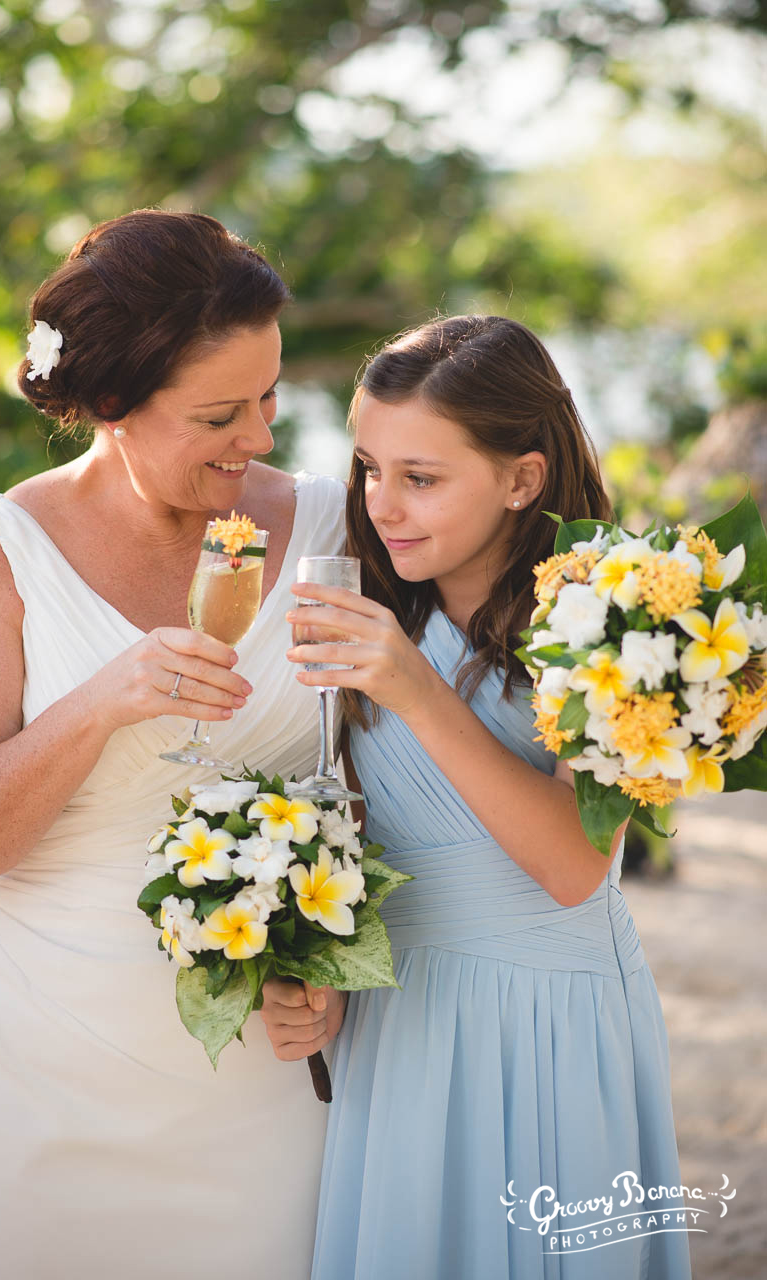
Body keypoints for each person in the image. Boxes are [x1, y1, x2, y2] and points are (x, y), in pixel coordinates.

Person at [0, 209, 347, 1280]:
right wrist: (96, 703)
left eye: (269, 395)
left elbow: (378, 779)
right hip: (34, 1083)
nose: (259, 437)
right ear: (111, 404)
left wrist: (342, 967)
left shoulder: (333, 527)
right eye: (219, 412)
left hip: (256, 1088)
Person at [265, 316, 691, 1279]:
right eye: (369, 468)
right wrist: (323, 978)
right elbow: (359, 830)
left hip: (548, 1016)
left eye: (421, 478)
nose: (383, 505)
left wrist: (409, 683)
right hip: (401, 1019)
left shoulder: (620, 616)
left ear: (522, 478)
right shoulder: (375, 601)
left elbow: (575, 867)